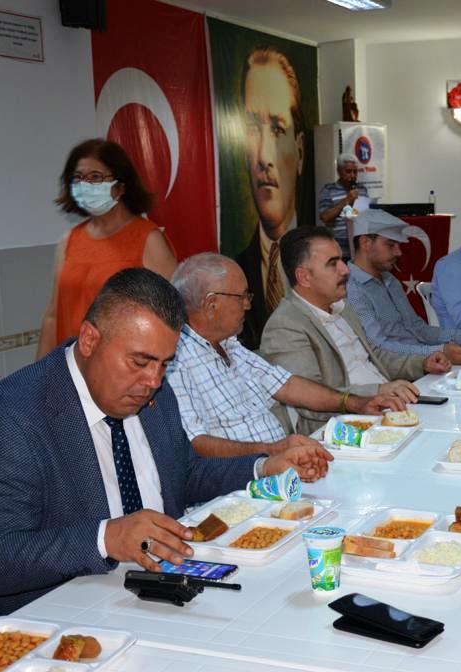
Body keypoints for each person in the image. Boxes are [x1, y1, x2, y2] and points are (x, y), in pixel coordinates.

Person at [0, 269, 329, 636]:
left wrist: (263, 466)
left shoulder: (153, 394)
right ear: (89, 340)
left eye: (164, 364)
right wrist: (107, 538)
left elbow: (183, 474)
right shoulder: (12, 418)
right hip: (55, 623)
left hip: (154, 595)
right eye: (139, 361)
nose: (153, 381)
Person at [167, 252, 406, 456]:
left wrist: (355, 403)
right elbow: (194, 444)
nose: (248, 305)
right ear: (211, 304)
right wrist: (272, 450)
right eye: (243, 297)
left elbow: (287, 385)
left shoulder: (230, 345)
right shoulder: (176, 361)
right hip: (241, 483)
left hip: (279, 464)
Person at [261, 226, 451, 436]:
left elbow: (375, 357)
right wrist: (377, 391)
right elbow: (308, 396)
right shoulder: (286, 325)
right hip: (344, 429)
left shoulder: (343, 308)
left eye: (342, 260)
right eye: (333, 264)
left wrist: (421, 363)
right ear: (304, 277)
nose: (345, 269)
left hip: (387, 409)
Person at [36, 138, 178, 358]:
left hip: (123, 374)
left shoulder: (148, 239)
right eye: (79, 178)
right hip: (72, 367)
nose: (86, 185)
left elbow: (172, 314)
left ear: (120, 186)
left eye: (96, 177)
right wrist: (39, 376)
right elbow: (53, 316)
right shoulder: (69, 240)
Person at [347, 210, 461, 364]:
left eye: (398, 245)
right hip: (397, 373)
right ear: (366, 242)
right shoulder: (351, 288)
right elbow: (379, 347)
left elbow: (418, 329)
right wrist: (439, 351)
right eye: (390, 244)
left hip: (423, 362)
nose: (398, 252)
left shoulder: (390, 280)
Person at [235, 47, 306, 350]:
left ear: (300, 152)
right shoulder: (235, 272)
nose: (264, 155)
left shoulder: (321, 266)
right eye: (252, 128)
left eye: (277, 129)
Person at [318, 153, 368, 259]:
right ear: (339, 171)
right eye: (348, 171)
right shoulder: (328, 190)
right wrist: (347, 200)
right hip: (338, 251)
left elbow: (366, 215)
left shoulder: (362, 189)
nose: (353, 175)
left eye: (355, 172)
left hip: (360, 249)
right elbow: (325, 217)